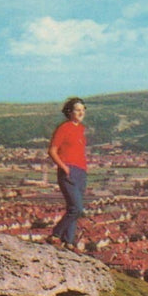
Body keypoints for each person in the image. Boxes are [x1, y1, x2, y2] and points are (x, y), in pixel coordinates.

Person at [47, 97, 88, 250]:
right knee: (76, 208)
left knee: (74, 208)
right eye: (77, 110)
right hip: (69, 170)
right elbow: (52, 150)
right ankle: (56, 234)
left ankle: (68, 242)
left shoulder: (81, 129)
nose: (81, 112)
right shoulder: (64, 128)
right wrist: (64, 167)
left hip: (81, 172)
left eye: (83, 110)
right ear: (69, 112)